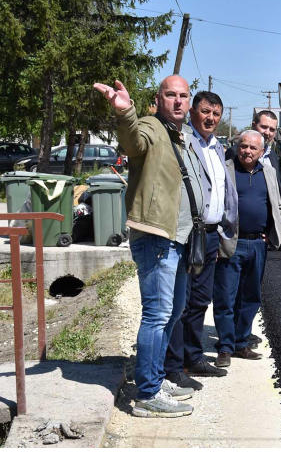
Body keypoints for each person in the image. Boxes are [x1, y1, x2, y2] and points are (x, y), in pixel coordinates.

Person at [93, 76, 207, 418]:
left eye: (183, 96)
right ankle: (147, 394)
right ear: (158, 99)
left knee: (173, 312)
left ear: (189, 101)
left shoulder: (180, 135)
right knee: (157, 314)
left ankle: (155, 378)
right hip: (157, 236)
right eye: (170, 95)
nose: (177, 101)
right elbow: (131, 143)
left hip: (179, 238)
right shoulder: (149, 127)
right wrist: (125, 111)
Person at [163, 91, 237, 387]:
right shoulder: (184, 142)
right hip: (187, 234)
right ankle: (174, 364)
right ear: (193, 111)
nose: (211, 118)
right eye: (206, 111)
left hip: (210, 235)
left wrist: (223, 230)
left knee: (199, 302)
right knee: (179, 302)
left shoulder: (218, 148)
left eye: (216, 114)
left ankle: (193, 357)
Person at [213, 130, 281, 367]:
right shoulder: (226, 169)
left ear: (261, 151)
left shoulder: (269, 172)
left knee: (251, 296)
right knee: (225, 296)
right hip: (232, 241)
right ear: (237, 146)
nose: (248, 151)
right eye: (244, 146)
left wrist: (272, 234)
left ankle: (241, 342)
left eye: (253, 148)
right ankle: (225, 346)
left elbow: (275, 203)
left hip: (258, 244)